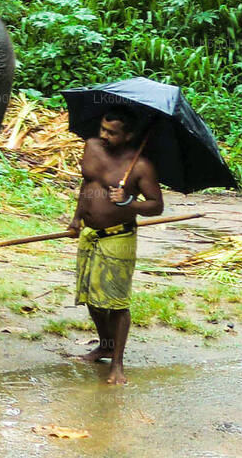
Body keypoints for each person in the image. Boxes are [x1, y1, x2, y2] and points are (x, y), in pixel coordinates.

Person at [68, 109, 164, 385]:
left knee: (116, 303)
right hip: (90, 233)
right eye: (102, 129)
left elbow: (156, 206)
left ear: (129, 135)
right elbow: (87, 184)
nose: (103, 136)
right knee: (91, 297)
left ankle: (118, 365)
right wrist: (76, 218)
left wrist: (126, 201)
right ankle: (105, 345)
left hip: (118, 237)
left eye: (112, 132)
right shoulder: (92, 146)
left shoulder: (141, 166)